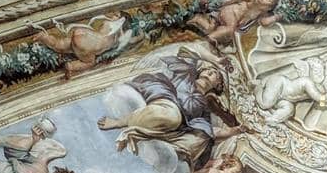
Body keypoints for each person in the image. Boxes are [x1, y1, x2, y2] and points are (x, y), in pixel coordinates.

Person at [97, 53, 241, 166]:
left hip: (178, 125)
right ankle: (118, 123)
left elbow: (208, 130)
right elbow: (189, 52)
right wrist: (214, 58)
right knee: (172, 116)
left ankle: (171, 151)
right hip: (164, 97)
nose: (211, 72)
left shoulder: (203, 106)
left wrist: (232, 131)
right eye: (210, 69)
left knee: (202, 139)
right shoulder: (188, 73)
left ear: (218, 85)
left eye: (216, 74)